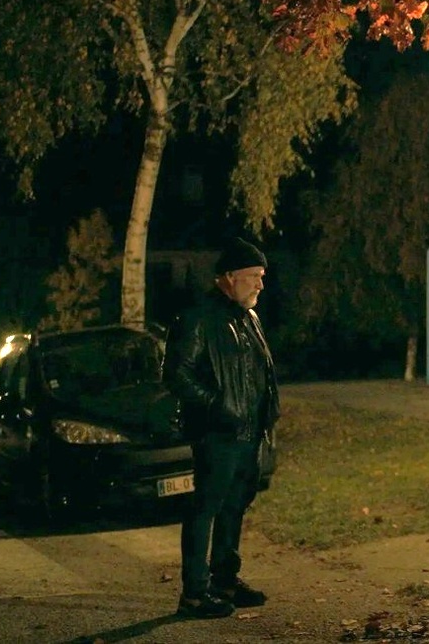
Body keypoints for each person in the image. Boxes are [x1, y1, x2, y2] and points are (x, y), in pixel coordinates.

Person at [164, 237, 280, 619]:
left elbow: (260, 372)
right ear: (229, 277)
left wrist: (266, 417)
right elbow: (176, 374)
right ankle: (195, 593)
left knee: (234, 507)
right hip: (218, 434)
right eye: (254, 276)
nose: (260, 284)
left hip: (249, 433)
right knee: (206, 508)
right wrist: (217, 405)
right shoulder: (199, 317)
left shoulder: (249, 318)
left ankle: (224, 581)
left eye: (262, 276)